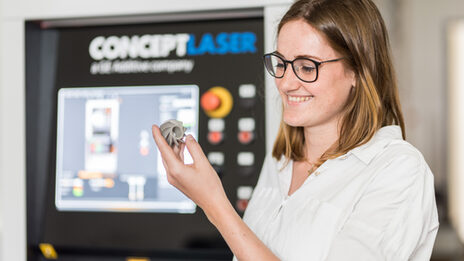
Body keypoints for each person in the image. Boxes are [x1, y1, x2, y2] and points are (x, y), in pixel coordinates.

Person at [152, 0, 439, 260]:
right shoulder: (281, 161)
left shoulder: (397, 170)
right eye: (282, 63)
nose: (286, 83)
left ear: (357, 70)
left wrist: (215, 205)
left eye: (306, 66)